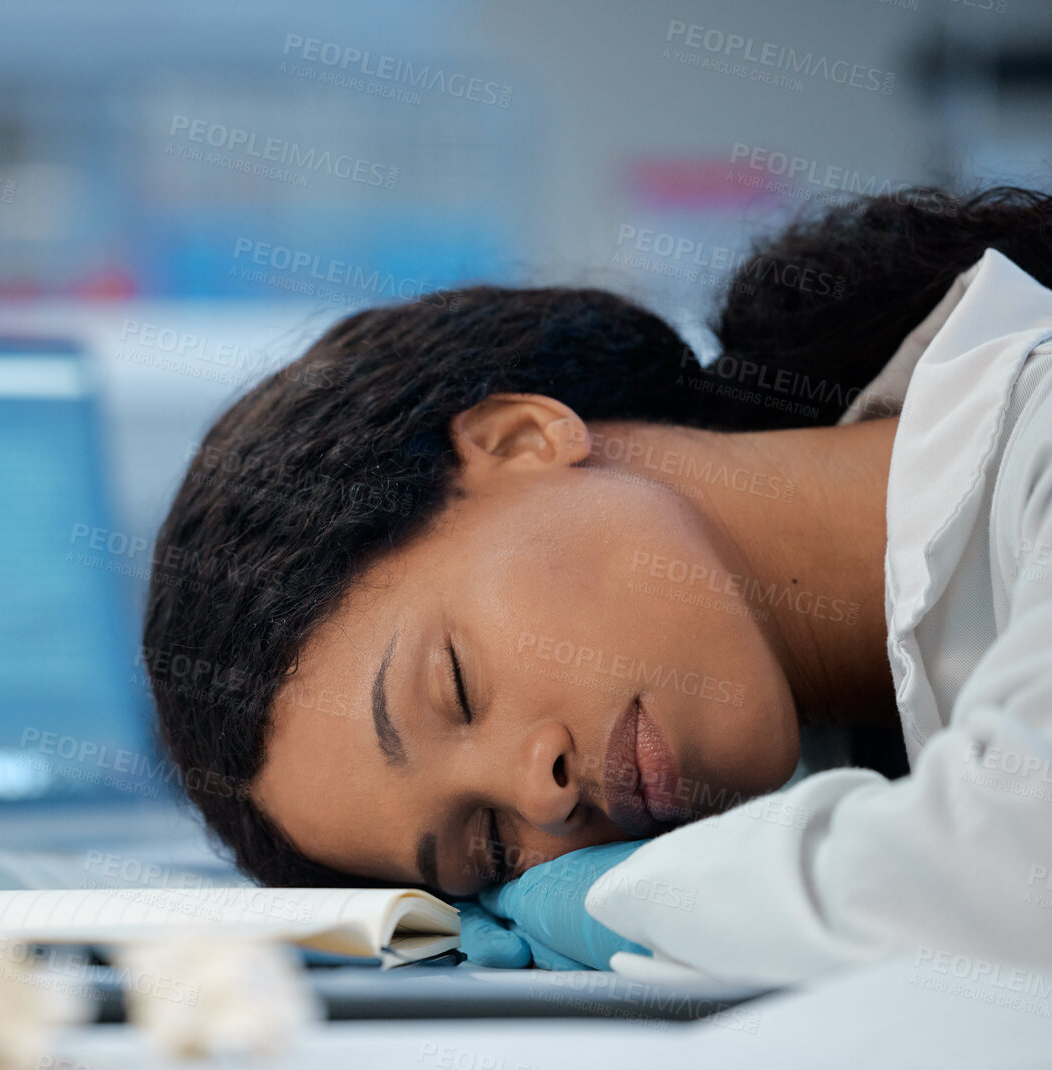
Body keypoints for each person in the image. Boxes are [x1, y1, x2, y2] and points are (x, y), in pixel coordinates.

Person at [140, 187, 1052, 985]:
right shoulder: (866, 746)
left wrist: (623, 904)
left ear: (520, 440)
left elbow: (1007, 878)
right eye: (490, 847)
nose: (544, 797)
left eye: (456, 685)